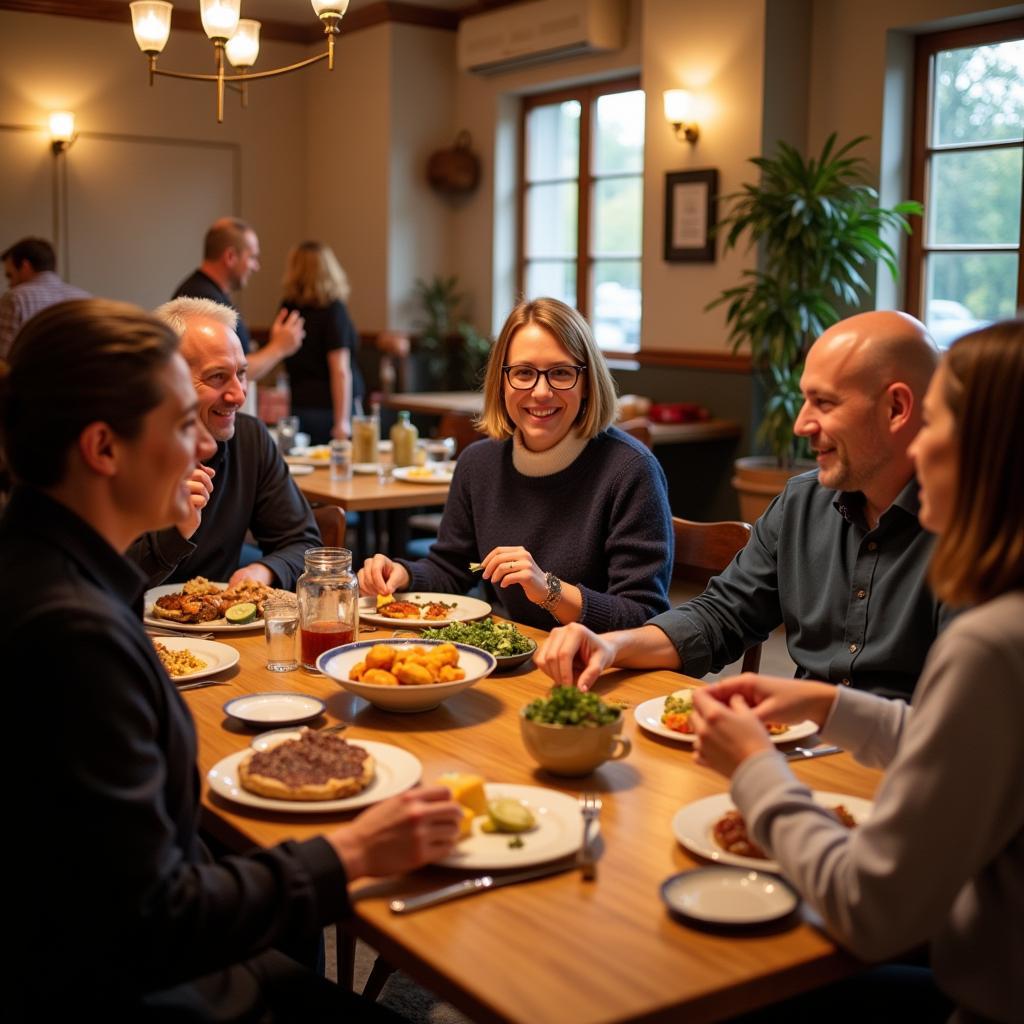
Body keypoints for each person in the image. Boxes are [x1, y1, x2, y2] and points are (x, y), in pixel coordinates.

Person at [0, 298, 461, 1020]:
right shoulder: (74, 635)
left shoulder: (46, 570)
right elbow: (154, 923)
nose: (204, 446)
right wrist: (351, 856)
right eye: (183, 424)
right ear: (103, 449)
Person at [689, 320, 1024, 1023]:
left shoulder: (993, 640)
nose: (922, 445)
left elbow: (870, 910)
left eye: (938, 423)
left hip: (977, 990)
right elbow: (963, 747)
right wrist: (827, 704)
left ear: (990, 454)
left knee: (710, 971)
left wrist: (754, 770)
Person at [538, 310, 949, 699]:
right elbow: (720, 616)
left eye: (824, 403)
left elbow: (976, 720)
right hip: (800, 744)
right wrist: (611, 646)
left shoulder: (981, 532)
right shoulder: (801, 504)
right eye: (804, 400)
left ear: (896, 408)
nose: (800, 424)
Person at [358, 297, 673, 631]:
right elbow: (453, 568)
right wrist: (405, 574)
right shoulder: (478, 464)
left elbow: (643, 616)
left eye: (561, 373)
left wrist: (548, 590)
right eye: (523, 373)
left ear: (587, 383)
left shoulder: (630, 470)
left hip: (605, 670)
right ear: (501, 381)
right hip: (523, 658)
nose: (540, 392)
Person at [128, 296, 320, 588]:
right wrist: (175, 534)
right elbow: (99, 585)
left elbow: (303, 544)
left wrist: (264, 571)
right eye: (217, 377)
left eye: (241, 373)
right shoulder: (119, 453)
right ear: (166, 379)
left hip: (223, 630)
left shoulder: (249, 438)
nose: (239, 395)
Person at [173, 216, 304, 382]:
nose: (256, 267)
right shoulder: (203, 301)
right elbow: (229, 373)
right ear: (230, 257)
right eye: (252, 257)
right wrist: (279, 347)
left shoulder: (206, 293)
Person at [279, 240, 365, 444]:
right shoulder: (333, 310)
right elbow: (340, 370)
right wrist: (342, 422)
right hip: (333, 408)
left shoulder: (289, 309)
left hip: (300, 404)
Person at [0, 236, 88, 357]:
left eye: (10, 275)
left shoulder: (15, 298)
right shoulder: (84, 298)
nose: (10, 284)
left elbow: (5, 355)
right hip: (79, 374)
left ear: (25, 266)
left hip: (31, 374)